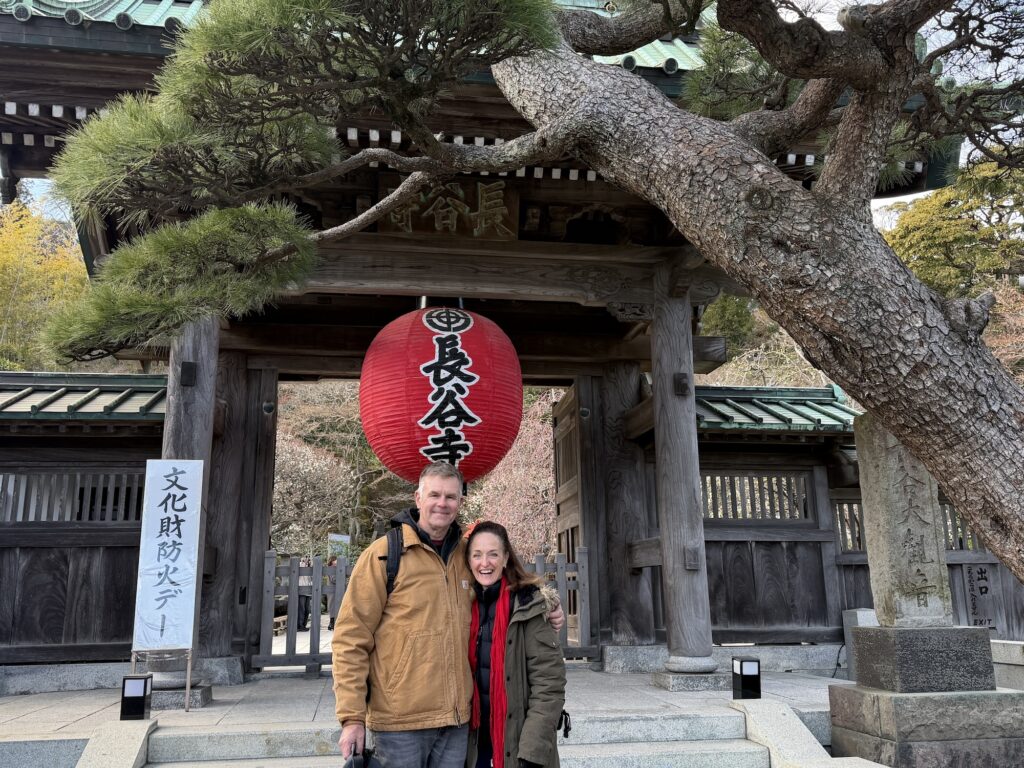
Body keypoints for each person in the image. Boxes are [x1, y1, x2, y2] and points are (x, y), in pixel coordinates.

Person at [332, 461, 563, 768]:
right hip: (400, 722)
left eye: (451, 497)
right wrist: (351, 717)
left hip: (457, 725)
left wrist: (549, 603)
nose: (442, 503)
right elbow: (351, 638)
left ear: (460, 503)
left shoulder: (465, 555)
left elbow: (508, 581)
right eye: (434, 495)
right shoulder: (384, 555)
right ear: (418, 498)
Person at [465, 521, 565, 768]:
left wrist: (532, 752)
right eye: (476, 555)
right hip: (473, 741)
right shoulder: (463, 606)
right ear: (468, 560)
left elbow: (548, 684)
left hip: (518, 739)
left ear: (506, 557)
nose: (484, 563)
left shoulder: (529, 606)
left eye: (493, 554)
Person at [297, 555, 313, 631]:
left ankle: (304, 625)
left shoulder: (309, 568)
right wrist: (303, 562)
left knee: (307, 609)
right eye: (304, 560)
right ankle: (299, 625)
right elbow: (300, 566)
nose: (306, 561)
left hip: (308, 591)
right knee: (301, 609)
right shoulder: (300, 566)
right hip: (301, 591)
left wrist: (309, 563)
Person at [326, 555, 339, 632]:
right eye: (335, 560)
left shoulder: (333, 568)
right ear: (332, 561)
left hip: (334, 591)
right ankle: (331, 624)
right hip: (332, 591)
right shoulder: (331, 569)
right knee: (332, 606)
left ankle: (332, 624)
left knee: (333, 606)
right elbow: (334, 579)